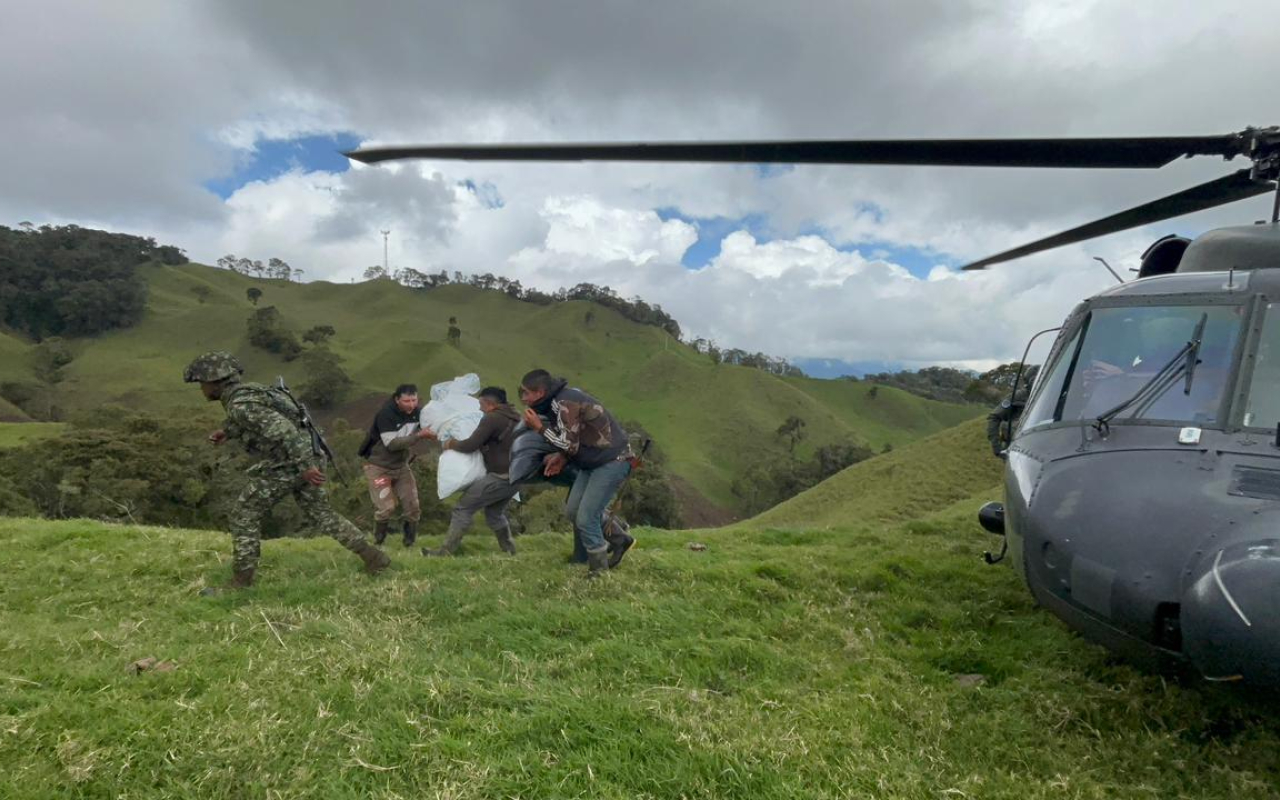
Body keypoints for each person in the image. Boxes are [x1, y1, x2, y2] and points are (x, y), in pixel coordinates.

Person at [183, 351, 390, 592]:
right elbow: (264, 419)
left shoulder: (241, 405)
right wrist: (227, 431)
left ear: (214, 382)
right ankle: (375, 558)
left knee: (244, 513)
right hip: (311, 455)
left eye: (202, 384)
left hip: (295, 463)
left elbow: (284, 431)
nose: (201, 390)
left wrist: (305, 468)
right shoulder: (251, 392)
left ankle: (240, 583)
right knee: (321, 513)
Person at [518, 369, 635, 577]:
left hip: (612, 461)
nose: (523, 398)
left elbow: (570, 445)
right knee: (573, 511)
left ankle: (599, 570)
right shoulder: (556, 402)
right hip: (592, 462)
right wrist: (561, 457)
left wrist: (539, 429)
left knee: (586, 517)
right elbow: (574, 438)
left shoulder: (564, 404)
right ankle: (619, 539)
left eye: (526, 393)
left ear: (540, 392)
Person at [422, 386, 521, 556]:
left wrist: (450, 443)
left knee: (463, 508)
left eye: (481, 403)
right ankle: (510, 550)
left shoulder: (492, 419)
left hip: (500, 477)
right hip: (517, 477)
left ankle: (446, 552)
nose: (479, 407)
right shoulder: (516, 417)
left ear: (489, 403)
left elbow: (469, 446)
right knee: (494, 513)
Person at [358, 383, 431, 547]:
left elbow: (430, 427)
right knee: (386, 507)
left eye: (414, 400)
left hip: (402, 467)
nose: (411, 404)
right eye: (407, 401)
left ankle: (409, 542)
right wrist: (419, 435)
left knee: (413, 506)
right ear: (397, 399)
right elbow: (391, 444)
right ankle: (378, 541)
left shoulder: (418, 413)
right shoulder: (386, 414)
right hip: (379, 468)